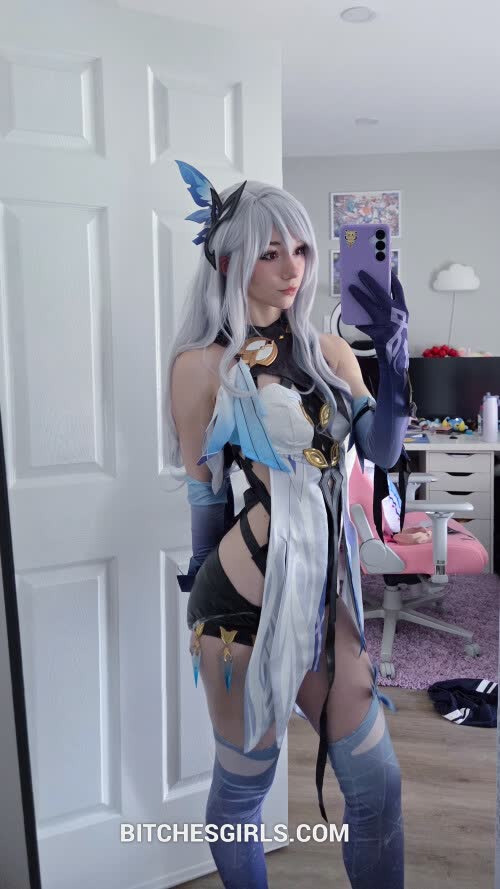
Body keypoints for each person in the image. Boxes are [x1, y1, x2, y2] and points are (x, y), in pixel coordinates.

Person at [165, 161, 415, 889]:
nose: (292, 268)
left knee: (378, 787)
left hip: (324, 598)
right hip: (241, 606)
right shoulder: (203, 365)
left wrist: (393, 357)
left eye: (300, 249)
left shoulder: (330, 351)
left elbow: (382, 451)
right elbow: (206, 496)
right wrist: (197, 587)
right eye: (270, 252)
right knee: (243, 790)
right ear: (228, 260)